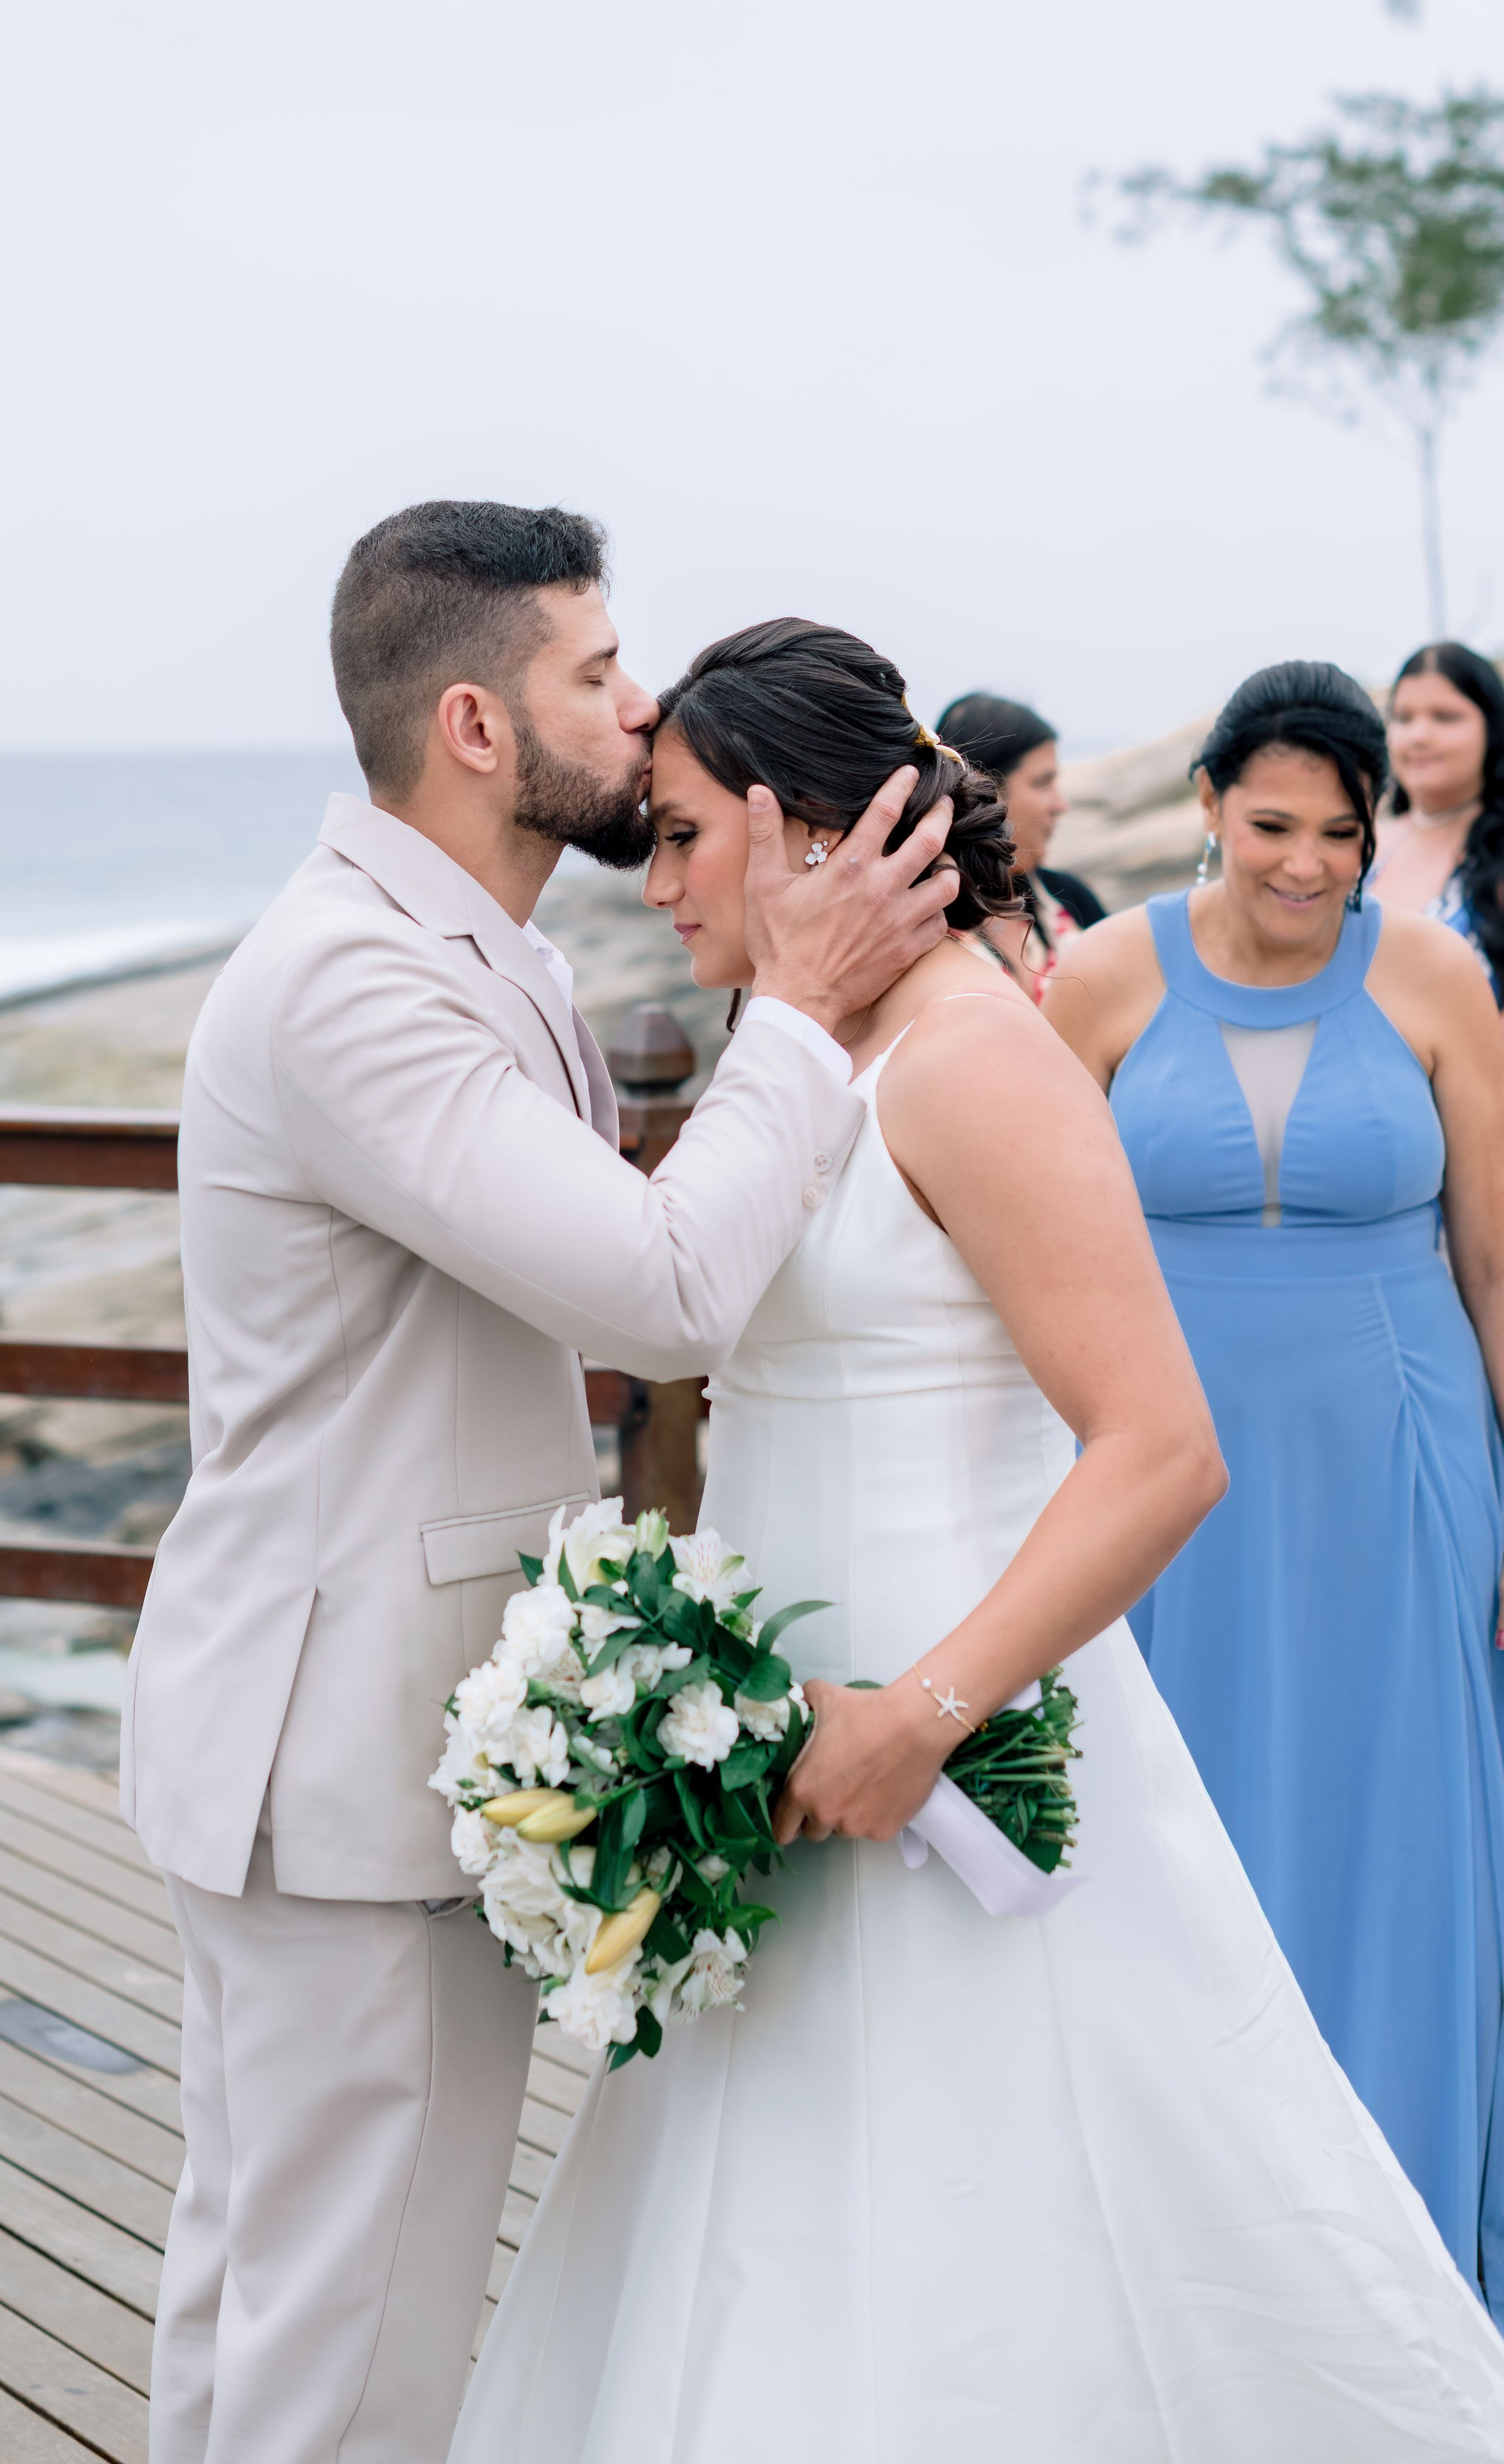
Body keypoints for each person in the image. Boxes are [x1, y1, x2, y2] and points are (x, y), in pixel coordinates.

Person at [451, 622, 1504, 2464]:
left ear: (808, 831)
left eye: (684, 836)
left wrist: (921, 1716)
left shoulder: (970, 1062)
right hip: (787, 1770)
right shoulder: (793, 1056)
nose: (660, 883)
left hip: (963, 1763)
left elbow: (1160, 1452)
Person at [123, 507, 963, 2464]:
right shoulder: (354, 980)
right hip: (343, 1766)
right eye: (598, 670)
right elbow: (660, 1292)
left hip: (319, 1737)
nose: (642, 704)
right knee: (346, 2352)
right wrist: (801, 1012)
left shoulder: (473, 956)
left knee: (265, 2301)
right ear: (480, 727)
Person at [1045, 659, 1504, 2319]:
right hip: (1163, 1482)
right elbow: (1017, 1257)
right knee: (1180, 1834)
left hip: (1397, 1466)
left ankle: (1400, 2270)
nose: (1305, 863)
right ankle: (1191, 2268)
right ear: (1207, 809)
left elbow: (1496, 1269)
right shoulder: (1100, 978)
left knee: (1398, 1843)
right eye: (1270, 826)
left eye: (1339, 831)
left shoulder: (1439, 977)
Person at [938, 689, 1106, 1000]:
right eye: (1042, 782)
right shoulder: (928, 931)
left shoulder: (1071, 898)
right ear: (984, 791)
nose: (1060, 804)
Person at [1373, 640, 1504, 1004]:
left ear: (1492, 728)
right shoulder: (1359, 846)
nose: (1419, 736)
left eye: (1445, 717)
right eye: (1404, 718)